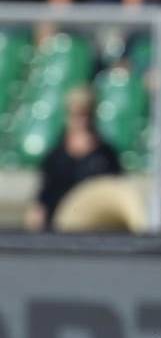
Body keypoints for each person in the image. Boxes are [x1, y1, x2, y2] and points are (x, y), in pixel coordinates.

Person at [25, 87, 122, 232]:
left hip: (95, 229)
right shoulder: (55, 156)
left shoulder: (106, 155)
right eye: (77, 114)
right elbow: (44, 195)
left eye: (86, 114)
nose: (82, 121)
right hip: (59, 228)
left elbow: (115, 192)